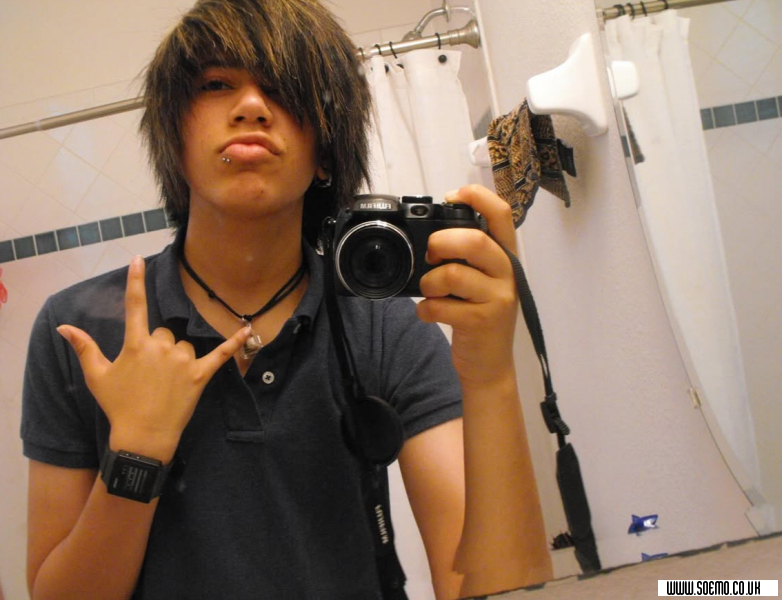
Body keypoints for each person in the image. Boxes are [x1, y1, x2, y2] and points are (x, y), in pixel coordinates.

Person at [21, 1, 552, 598]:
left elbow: (478, 586)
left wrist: (490, 375)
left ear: (325, 153)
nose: (251, 106)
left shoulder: (382, 327)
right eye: (216, 85)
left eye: (283, 89)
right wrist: (136, 454)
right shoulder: (78, 332)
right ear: (174, 138)